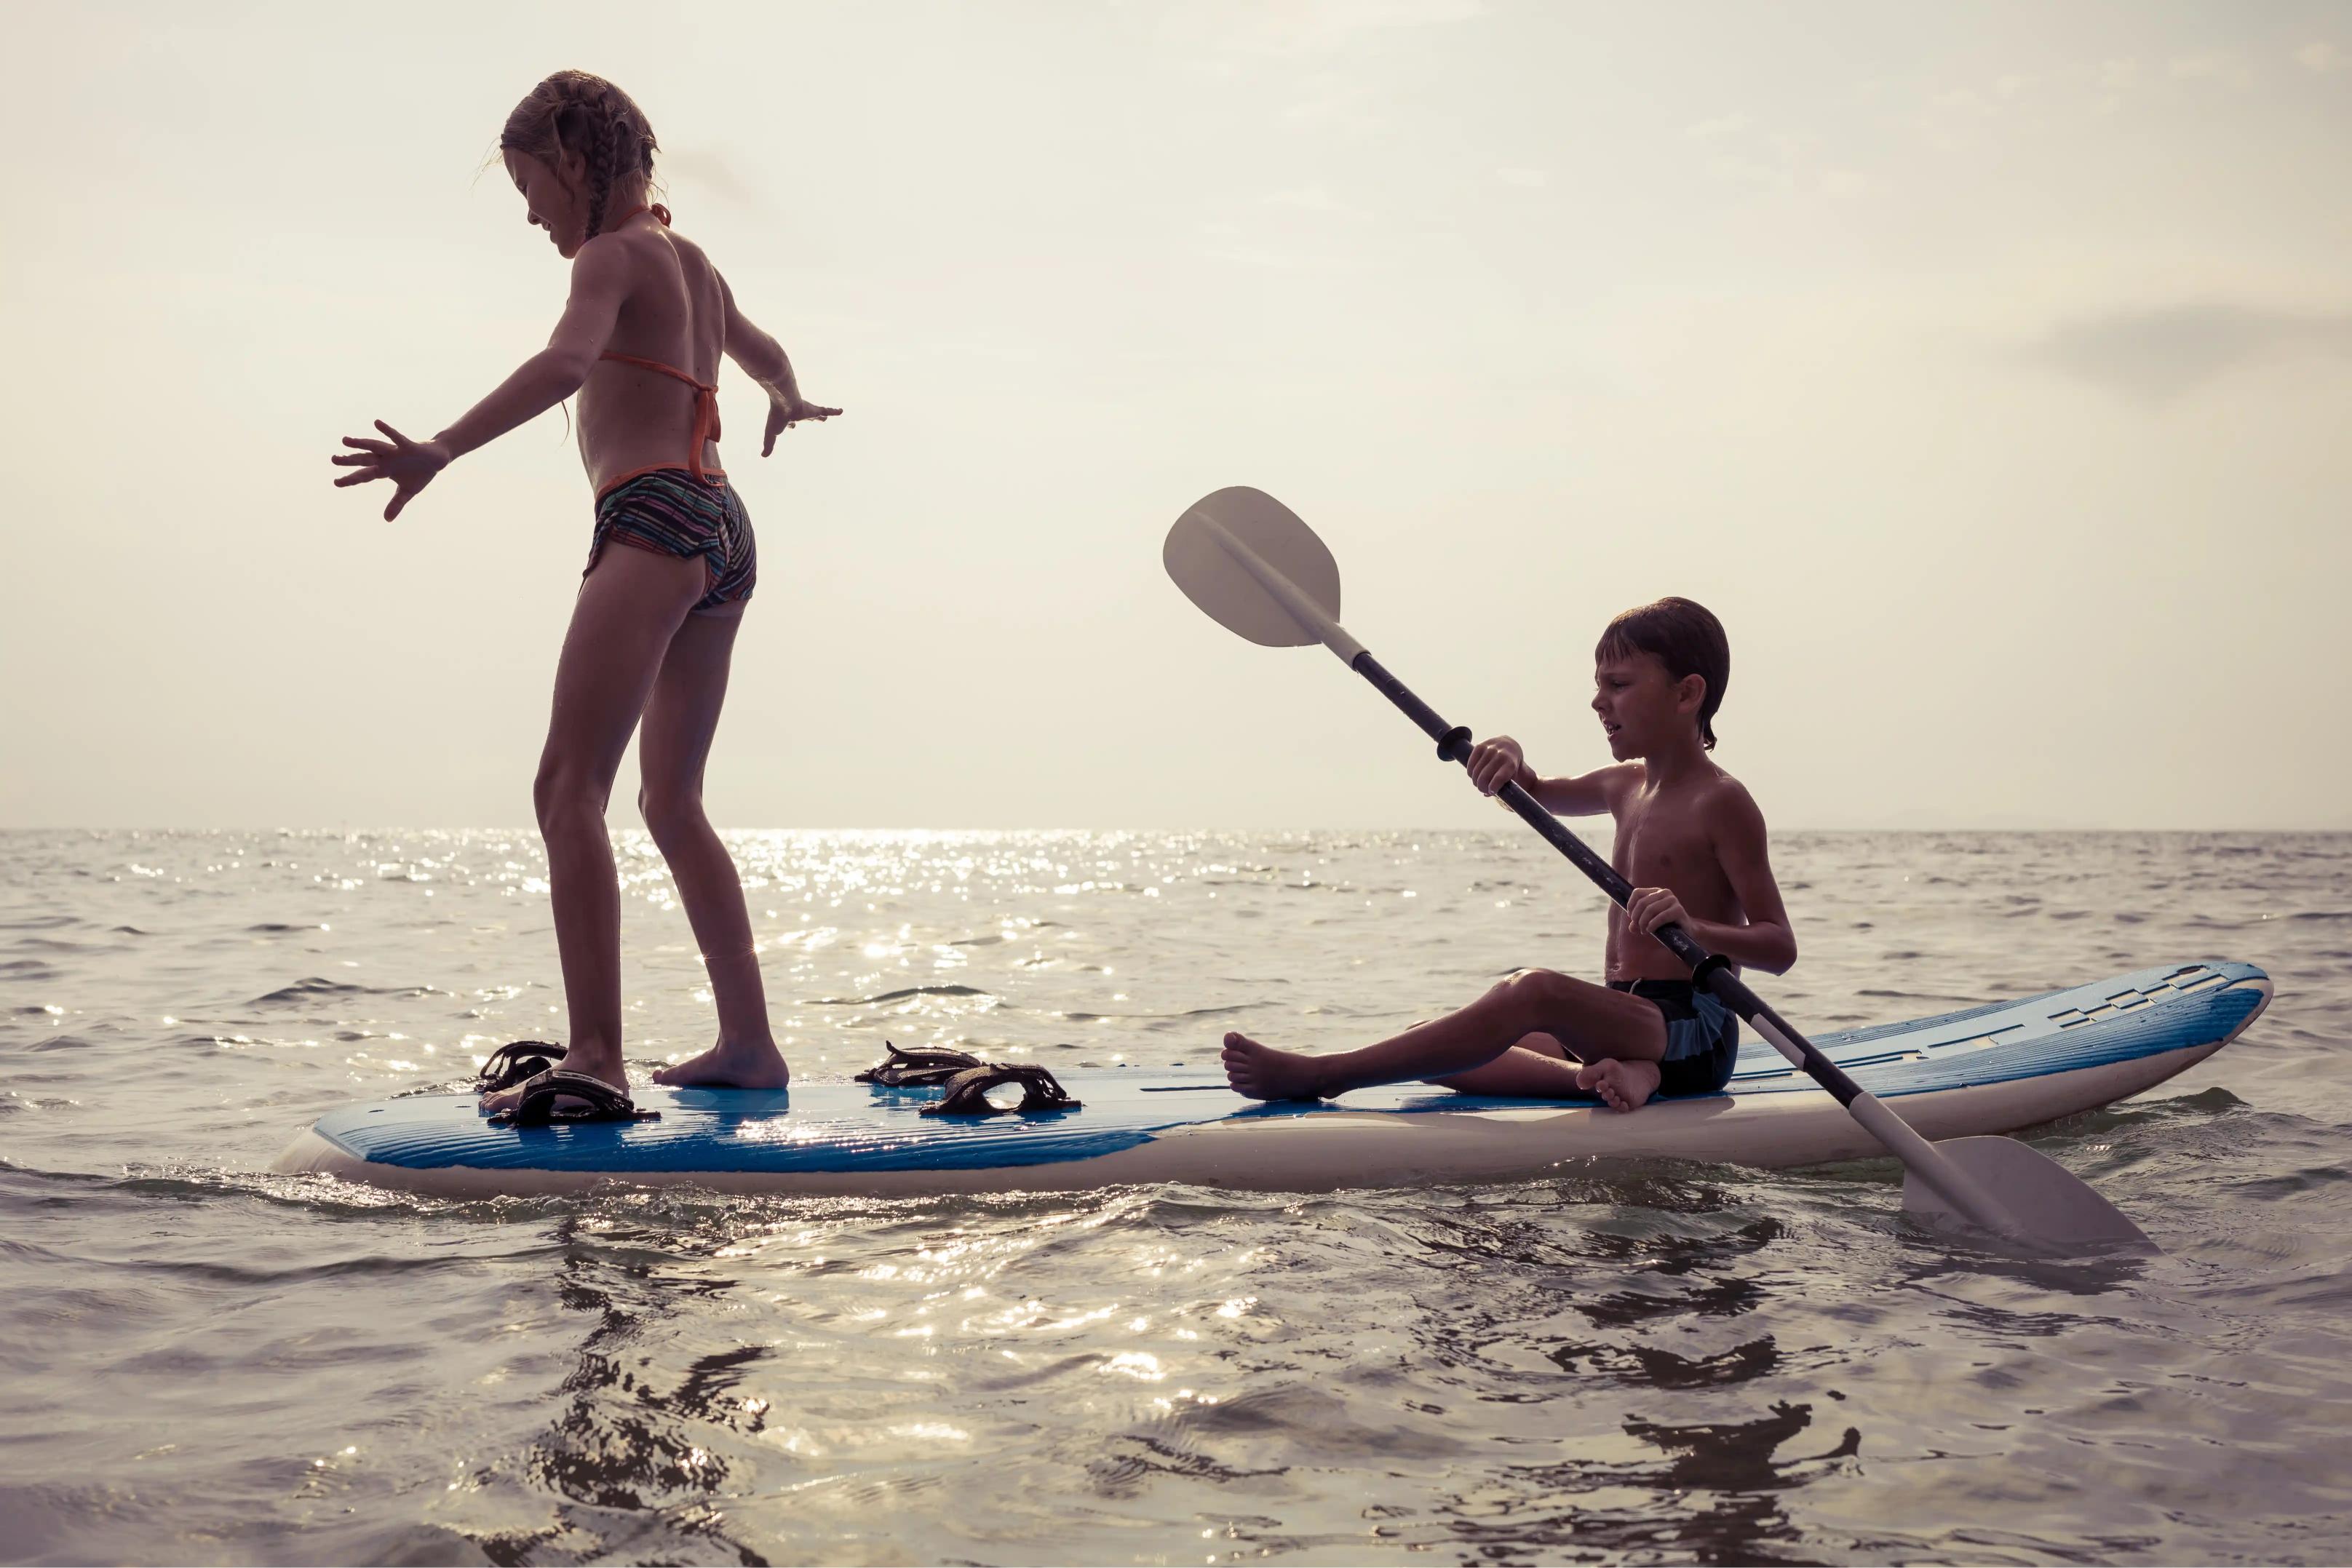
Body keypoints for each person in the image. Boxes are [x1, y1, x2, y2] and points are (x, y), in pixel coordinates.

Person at [332, 71, 838, 1116]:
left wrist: (441, 447)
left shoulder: (612, 257)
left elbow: (568, 360)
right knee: (671, 799)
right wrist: (784, 399)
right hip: (725, 528)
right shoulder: (694, 264)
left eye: (530, 185)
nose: (529, 213)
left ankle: (597, 1055)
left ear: (573, 159)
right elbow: (767, 356)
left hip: (653, 517)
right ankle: (749, 1042)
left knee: (567, 790)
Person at [1222, 597, 1795, 1112]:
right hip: (1622, 1018)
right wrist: (1510, 755)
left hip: (1693, 1028)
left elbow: (1778, 946)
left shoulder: (1722, 801)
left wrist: (1693, 927)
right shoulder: (1624, 784)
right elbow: (1534, 790)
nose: (1599, 701)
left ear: (1687, 692)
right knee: (1442, 1044)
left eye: (1619, 684)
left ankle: (1326, 1074)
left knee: (1532, 991)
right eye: (1599, 685)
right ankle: (1608, 1076)